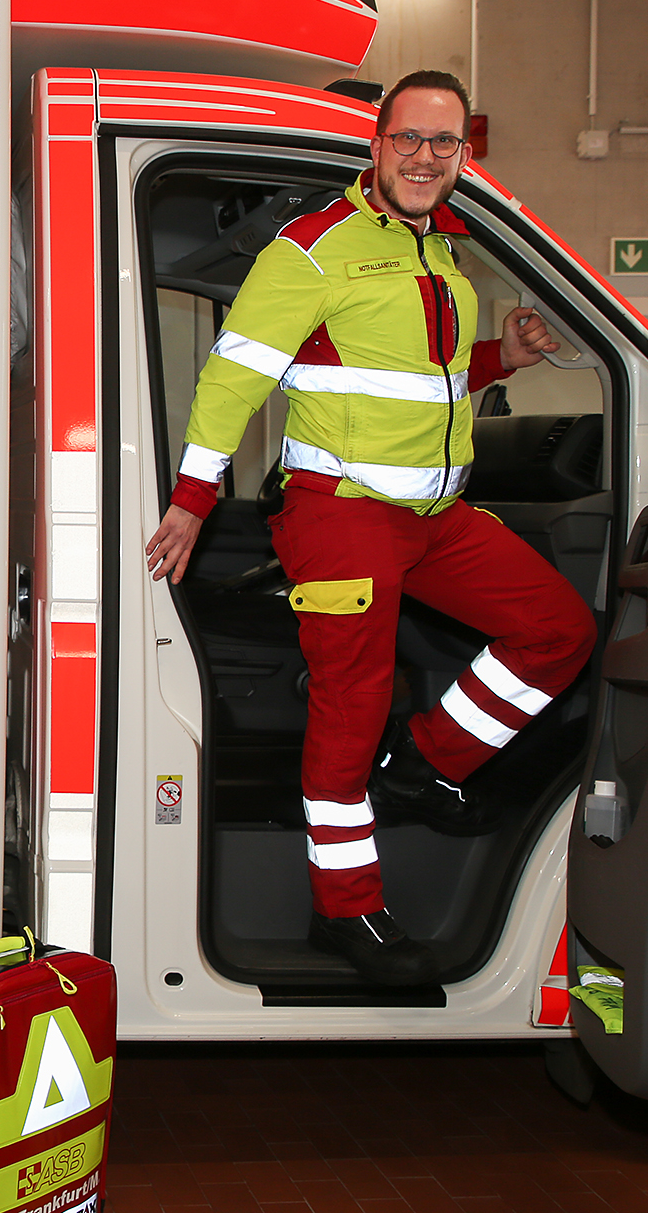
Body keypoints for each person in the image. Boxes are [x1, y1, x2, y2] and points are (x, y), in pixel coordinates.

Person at [144, 70, 596, 988]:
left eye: (444, 144)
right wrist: (193, 498)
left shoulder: (443, 256)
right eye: (409, 140)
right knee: (350, 710)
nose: (425, 158)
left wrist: (501, 358)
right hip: (341, 515)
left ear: (463, 155)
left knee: (560, 630)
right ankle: (343, 911)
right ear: (377, 144)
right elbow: (234, 378)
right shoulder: (313, 250)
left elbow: (410, 386)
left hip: (436, 516)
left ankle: (427, 762)